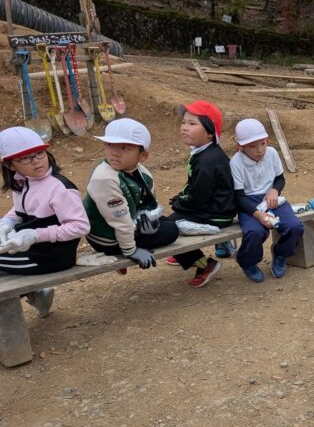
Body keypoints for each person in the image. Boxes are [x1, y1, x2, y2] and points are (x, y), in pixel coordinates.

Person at [0, 126, 89, 317]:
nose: (36, 161)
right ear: (9, 165)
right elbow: (21, 208)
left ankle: (36, 295)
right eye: (25, 158)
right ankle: (38, 295)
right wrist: (7, 222)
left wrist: (36, 235)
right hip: (32, 249)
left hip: (50, 256)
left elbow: (80, 226)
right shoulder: (23, 181)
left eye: (39, 153)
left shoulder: (59, 188)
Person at [84, 119, 179, 269]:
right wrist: (131, 251)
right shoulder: (104, 178)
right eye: (109, 145)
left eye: (124, 148)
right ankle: (123, 250)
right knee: (171, 230)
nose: (115, 153)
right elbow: (120, 221)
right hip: (106, 239)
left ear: (143, 156)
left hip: (125, 226)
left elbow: (147, 202)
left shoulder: (143, 173)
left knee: (166, 222)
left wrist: (149, 220)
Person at [166, 100, 236, 288]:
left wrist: (179, 203)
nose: (184, 128)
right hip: (216, 207)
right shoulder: (205, 153)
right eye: (183, 122)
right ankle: (185, 253)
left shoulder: (207, 161)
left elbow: (197, 198)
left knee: (166, 228)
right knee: (173, 218)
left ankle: (204, 264)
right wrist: (181, 198)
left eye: (192, 124)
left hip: (217, 215)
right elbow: (195, 188)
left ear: (210, 132)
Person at [230, 118, 304, 282]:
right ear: (240, 147)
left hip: (272, 199)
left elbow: (280, 178)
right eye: (252, 146)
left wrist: (274, 190)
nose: (260, 150)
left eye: (262, 143)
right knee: (255, 232)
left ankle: (281, 254)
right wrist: (258, 214)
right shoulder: (235, 162)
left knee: (294, 226)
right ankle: (247, 262)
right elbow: (239, 196)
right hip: (248, 203)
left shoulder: (271, 153)